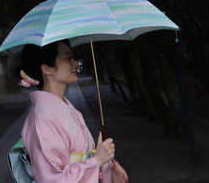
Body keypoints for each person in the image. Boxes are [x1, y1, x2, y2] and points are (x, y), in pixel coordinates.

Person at [20, 40, 128, 183]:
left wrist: (108, 167)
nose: (75, 63)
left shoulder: (67, 107)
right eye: (68, 58)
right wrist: (96, 161)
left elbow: (87, 157)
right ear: (47, 69)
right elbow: (53, 178)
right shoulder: (42, 116)